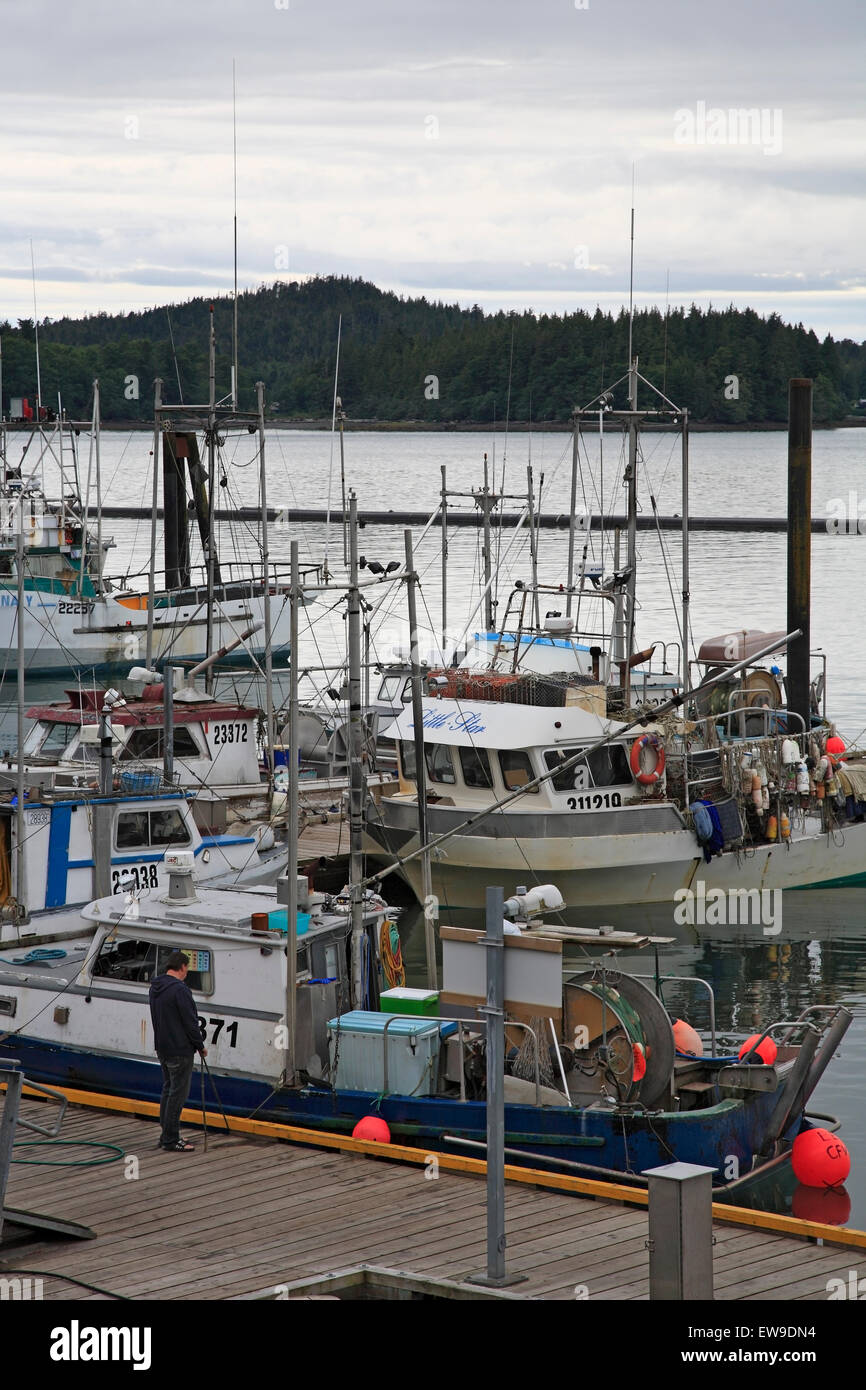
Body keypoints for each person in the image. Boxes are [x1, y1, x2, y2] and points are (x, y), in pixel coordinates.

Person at [148, 950, 206, 1152]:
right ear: (182, 967)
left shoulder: (155, 987)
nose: (186, 973)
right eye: (187, 969)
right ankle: (171, 1139)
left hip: (162, 1048)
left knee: (168, 1090)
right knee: (177, 1095)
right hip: (180, 1049)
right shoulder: (180, 990)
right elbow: (190, 1022)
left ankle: (166, 1134)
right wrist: (200, 1045)